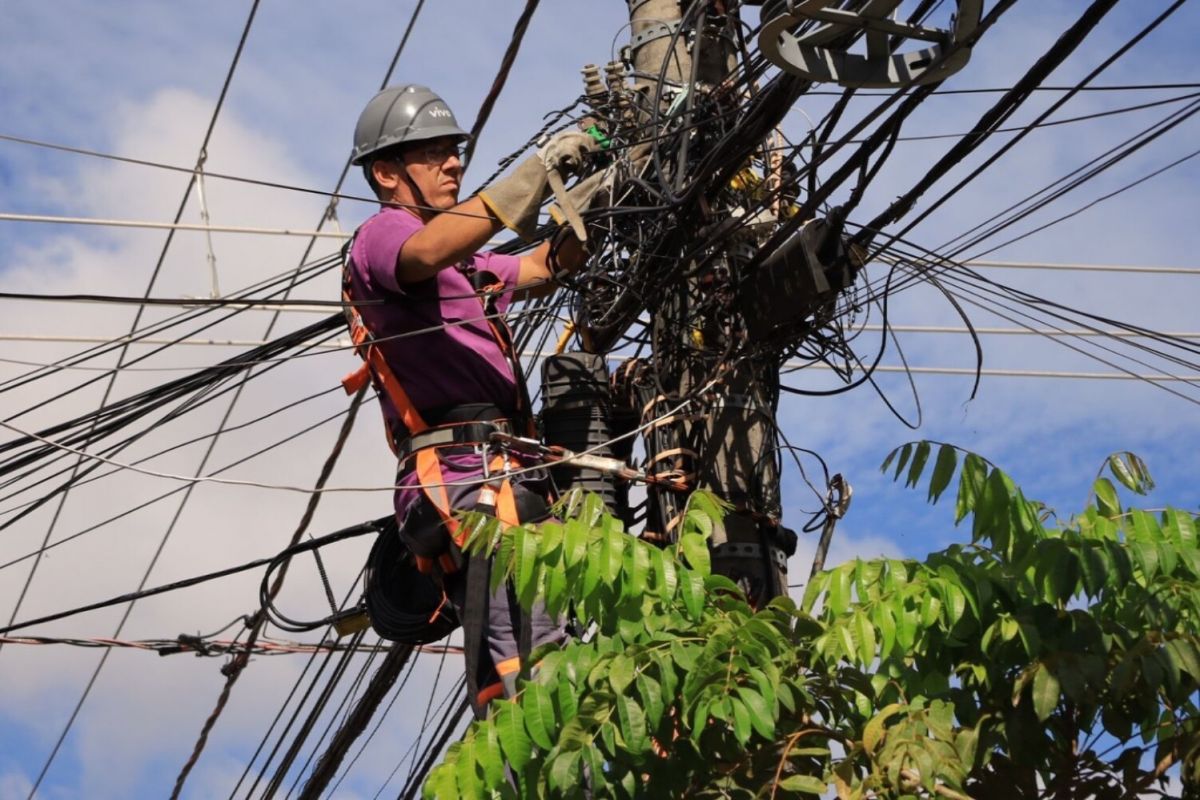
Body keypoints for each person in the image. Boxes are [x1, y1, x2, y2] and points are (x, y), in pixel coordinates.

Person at [342, 84, 597, 716]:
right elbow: (427, 250)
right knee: (522, 665)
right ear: (387, 172)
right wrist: (537, 171)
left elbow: (542, 267)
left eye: (454, 151)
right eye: (434, 154)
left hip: (507, 468)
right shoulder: (382, 236)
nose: (454, 163)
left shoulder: (467, 264)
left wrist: (601, 194)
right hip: (465, 476)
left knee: (552, 650)